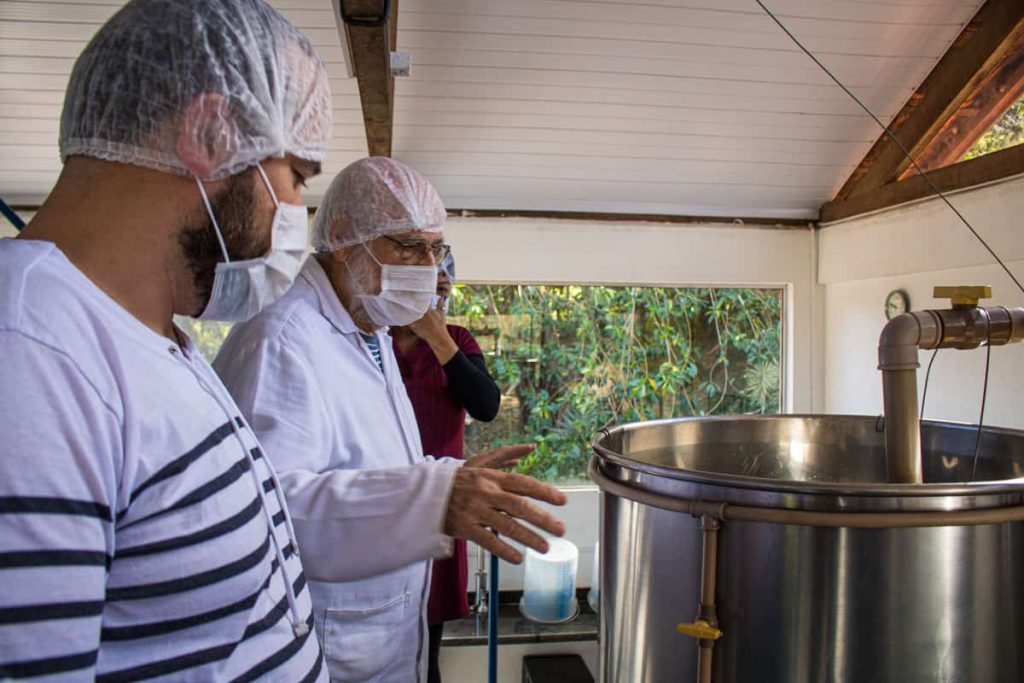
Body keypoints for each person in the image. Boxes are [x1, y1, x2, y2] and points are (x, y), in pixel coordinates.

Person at [0, 1, 333, 680]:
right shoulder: (29, 355)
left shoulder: (152, 334)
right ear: (210, 132)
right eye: (296, 175)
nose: (298, 212)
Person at [213, 157, 566, 682]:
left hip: (380, 638)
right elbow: (267, 514)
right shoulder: (282, 337)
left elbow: (379, 459)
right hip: (323, 649)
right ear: (341, 235)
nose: (427, 265)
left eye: (434, 248)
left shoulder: (370, 328)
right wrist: (434, 499)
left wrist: (449, 478)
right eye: (407, 245)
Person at [391, 252, 500, 683]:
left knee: (426, 649)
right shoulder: (371, 341)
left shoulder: (457, 341)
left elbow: (486, 405)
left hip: (440, 506)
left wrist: (437, 336)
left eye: (440, 287)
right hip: (383, 503)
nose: (434, 296)